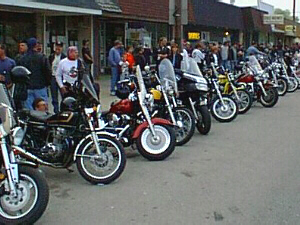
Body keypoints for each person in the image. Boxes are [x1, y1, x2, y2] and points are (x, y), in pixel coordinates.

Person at [18, 38, 51, 110]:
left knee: (28, 110)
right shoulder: (42, 57)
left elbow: (20, 72)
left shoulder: (22, 58)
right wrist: (47, 83)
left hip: (27, 87)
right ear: (35, 45)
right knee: (43, 109)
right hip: (40, 86)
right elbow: (47, 71)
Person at [49, 42, 66, 113]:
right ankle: (56, 110)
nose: (58, 48)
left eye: (59, 47)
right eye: (56, 47)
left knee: (64, 94)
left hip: (62, 78)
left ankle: (64, 109)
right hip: (53, 77)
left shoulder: (64, 57)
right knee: (54, 95)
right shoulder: (51, 56)